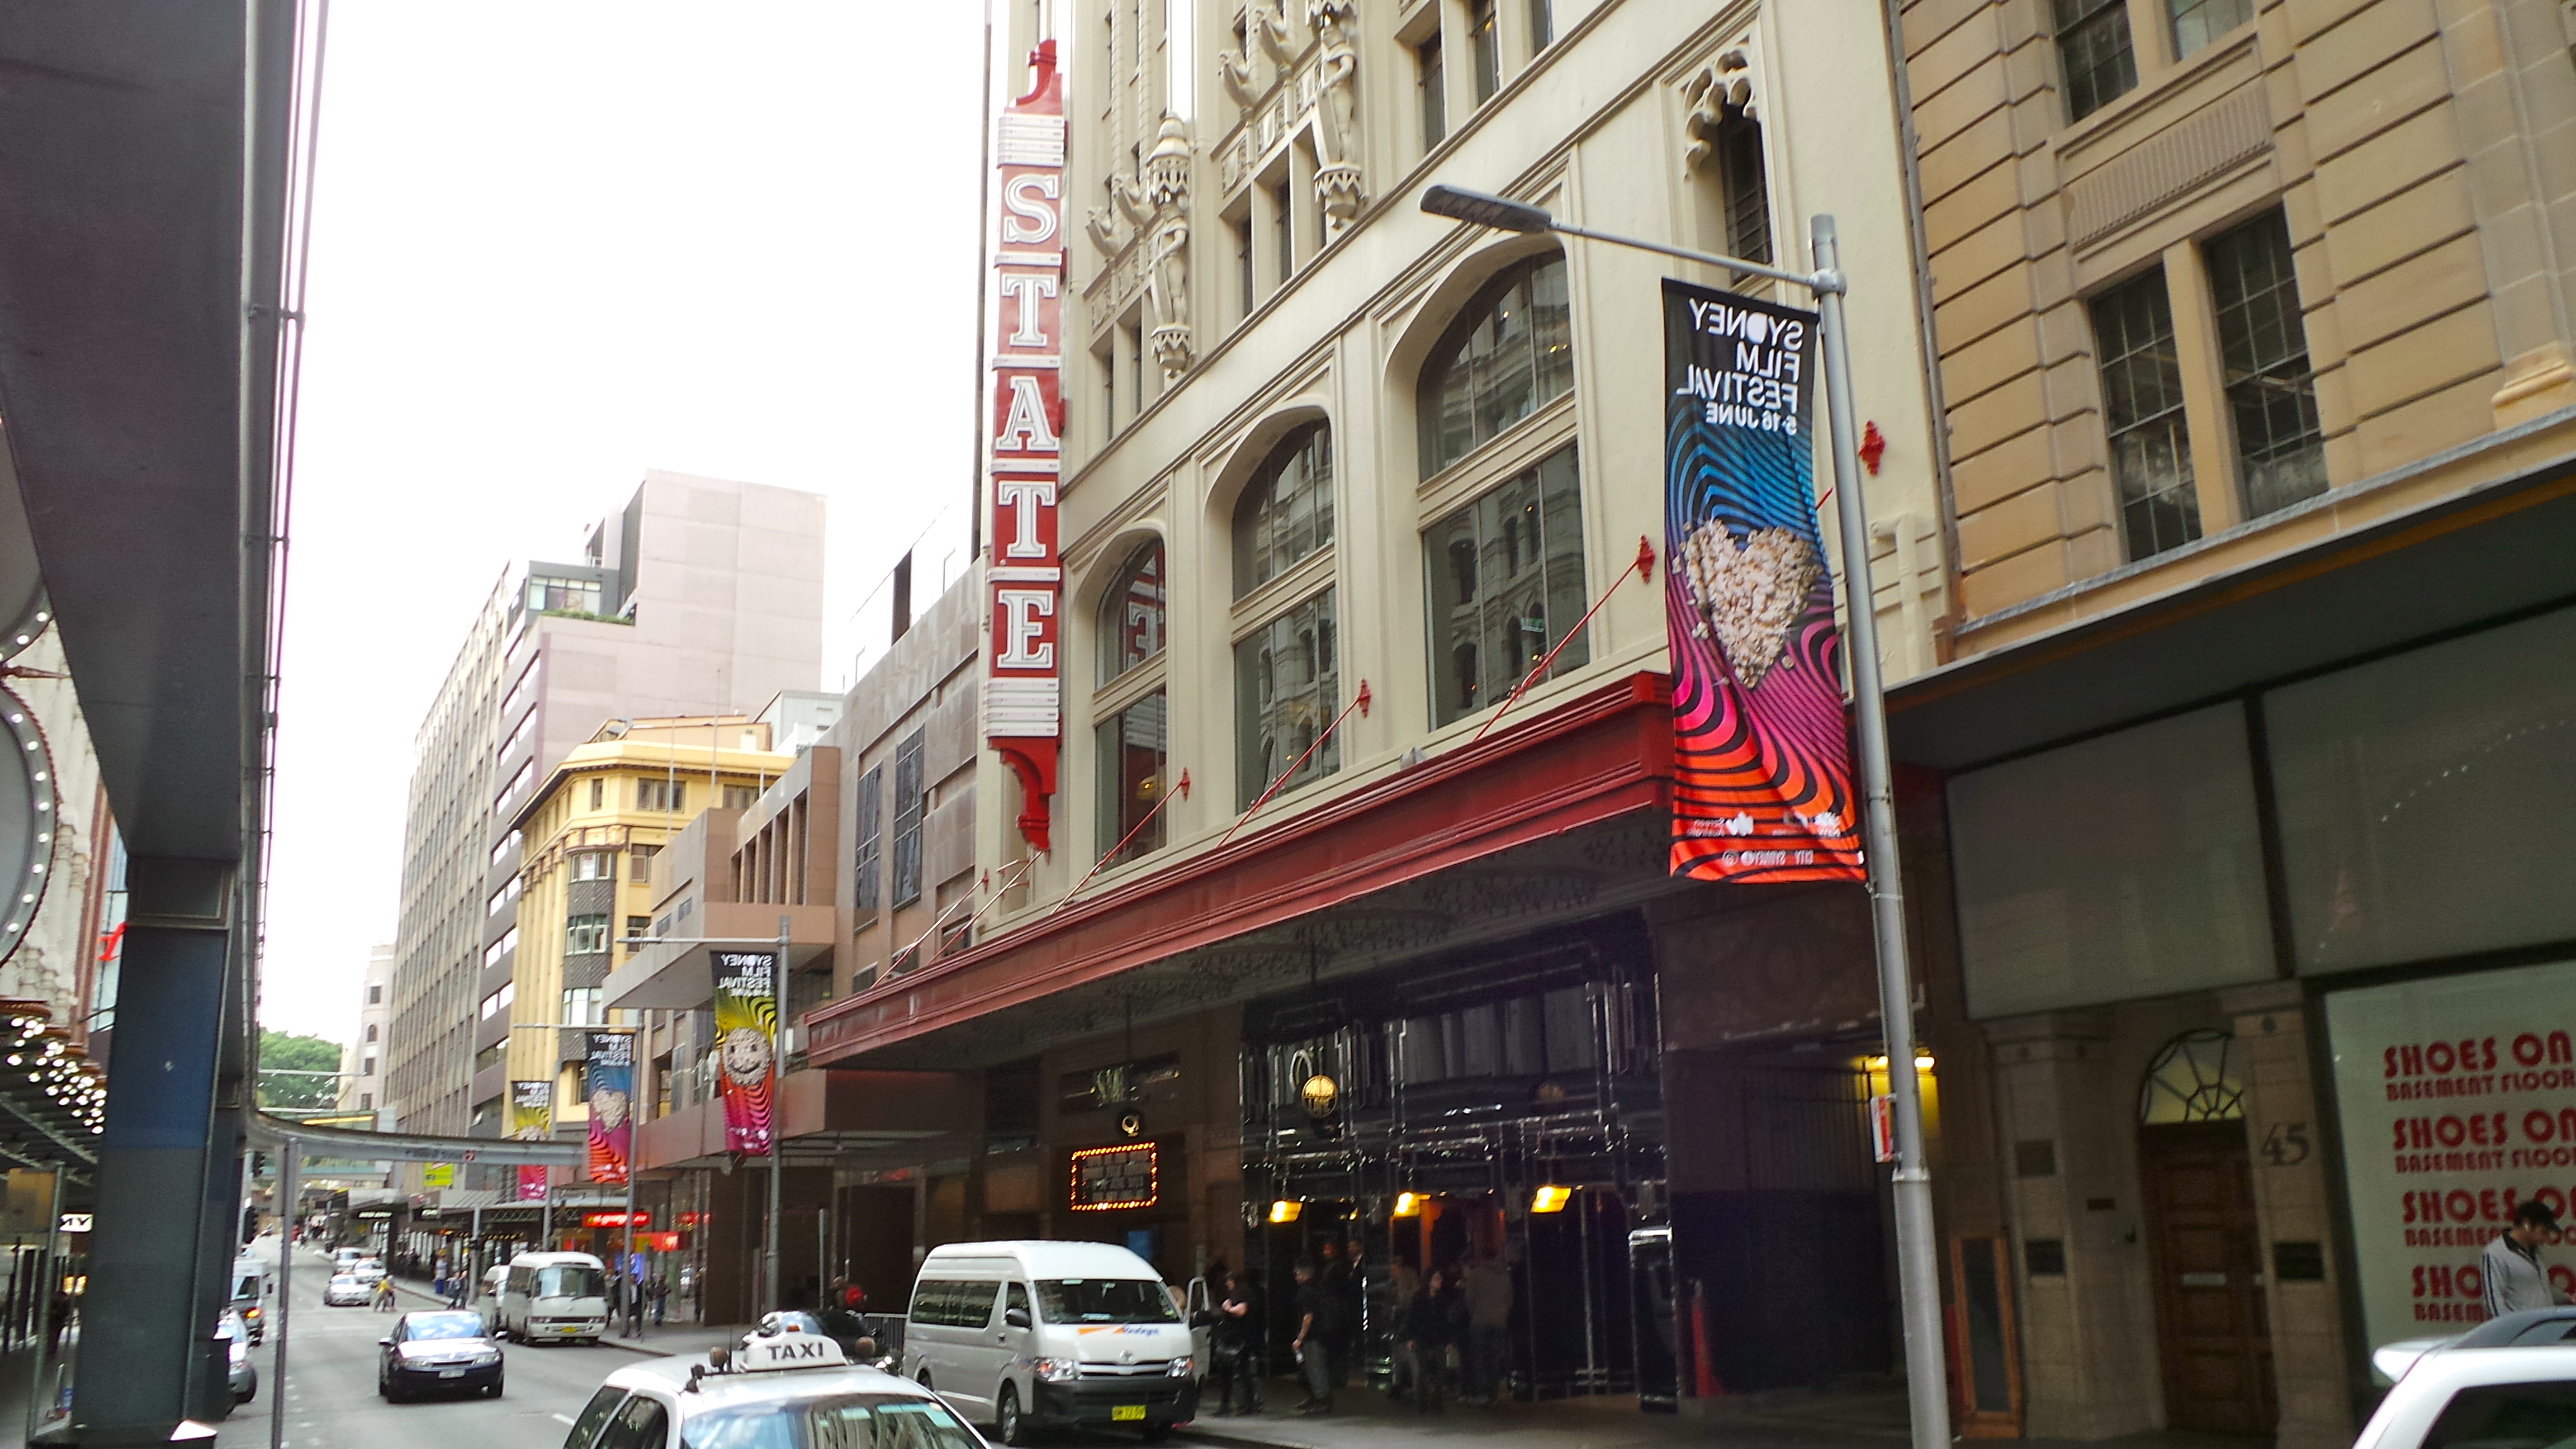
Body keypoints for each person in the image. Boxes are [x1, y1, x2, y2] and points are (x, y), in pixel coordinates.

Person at [2484, 1199, 2570, 1316]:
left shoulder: (2535, 1253)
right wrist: (2513, 1326)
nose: (2545, 1239)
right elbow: (2494, 1304)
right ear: (2527, 1225)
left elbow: (2542, 1289)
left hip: (2543, 1323)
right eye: (2543, 1232)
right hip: (2522, 1325)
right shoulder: (2496, 1253)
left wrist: (2568, 1299)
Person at [1462, 1249, 1513, 1404]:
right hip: (1499, 1321)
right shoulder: (1504, 1275)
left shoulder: (1476, 1274)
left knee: (1480, 1358)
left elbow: (1470, 1299)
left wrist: (1475, 1313)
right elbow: (1510, 1299)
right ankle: (1493, 1393)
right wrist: (1503, 1313)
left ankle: (1482, 1392)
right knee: (1494, 1357)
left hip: (1480, 1321)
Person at [1209, 1271, 1257, 1416]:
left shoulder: (1242, 1295)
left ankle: (1239, 1405)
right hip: (1238, 1339)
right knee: (1241, 1373)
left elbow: (1240, 1311)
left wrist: (1228, 1308)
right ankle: (1246, 1404)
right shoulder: (1240, 1295)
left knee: (1237, 1373)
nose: (1227, 1284)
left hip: (1238, 1340)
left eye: (1229, 1281)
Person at [1291, 1260, 1332, 1415]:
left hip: (1312, 1337)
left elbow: (1308, 1316)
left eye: (1298, 1274)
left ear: (1305, 1274)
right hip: (1317, 1335)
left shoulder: (1307, 1292)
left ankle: (1322, 1400)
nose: (1296, 1277)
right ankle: (1316, 1397)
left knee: (1315, 1368)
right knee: (1312, 1368)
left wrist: (1300, 1338)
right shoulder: (1317, 1288)